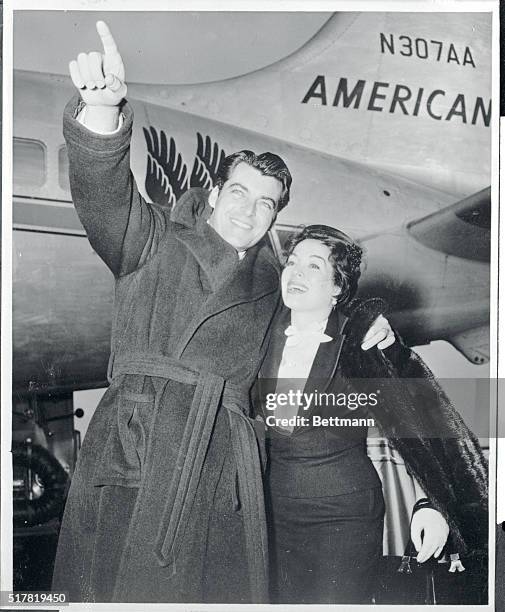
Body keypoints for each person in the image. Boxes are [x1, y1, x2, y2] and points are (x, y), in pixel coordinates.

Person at [51, 22, 395, 604]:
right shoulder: (152, 240)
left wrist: (367, 320)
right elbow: (104, 194)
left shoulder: (273, 288)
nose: (249, 210)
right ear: (212, 193)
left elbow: (316, 329)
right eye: (238, 192)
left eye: (266, 203)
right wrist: (103, 114)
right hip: (138, 451)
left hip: (221, 474)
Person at [254, 225, 488, 604]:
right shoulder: (260, 331)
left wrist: (431, 504)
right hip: (269, 513)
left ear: (336, 286)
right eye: (292, 262)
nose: (295, 273)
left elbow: (419, 423)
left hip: (342, 516)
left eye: (313, 267)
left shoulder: (363, 340)